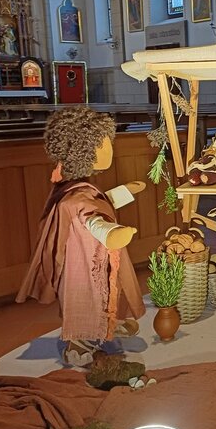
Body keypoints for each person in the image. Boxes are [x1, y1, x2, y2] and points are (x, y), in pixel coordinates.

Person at [16, 107, 146, 366]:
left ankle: (107, 324)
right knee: (86, 294)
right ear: (83, 151)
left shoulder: (76, 189)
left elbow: (99, 203)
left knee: (105, 290)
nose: (109, 149)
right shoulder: (75, 196)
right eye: (103, 144)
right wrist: (112, 234)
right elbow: (91, 218)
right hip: (83, 260)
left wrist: (125, 192)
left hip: (92, 254)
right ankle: (77, 343)